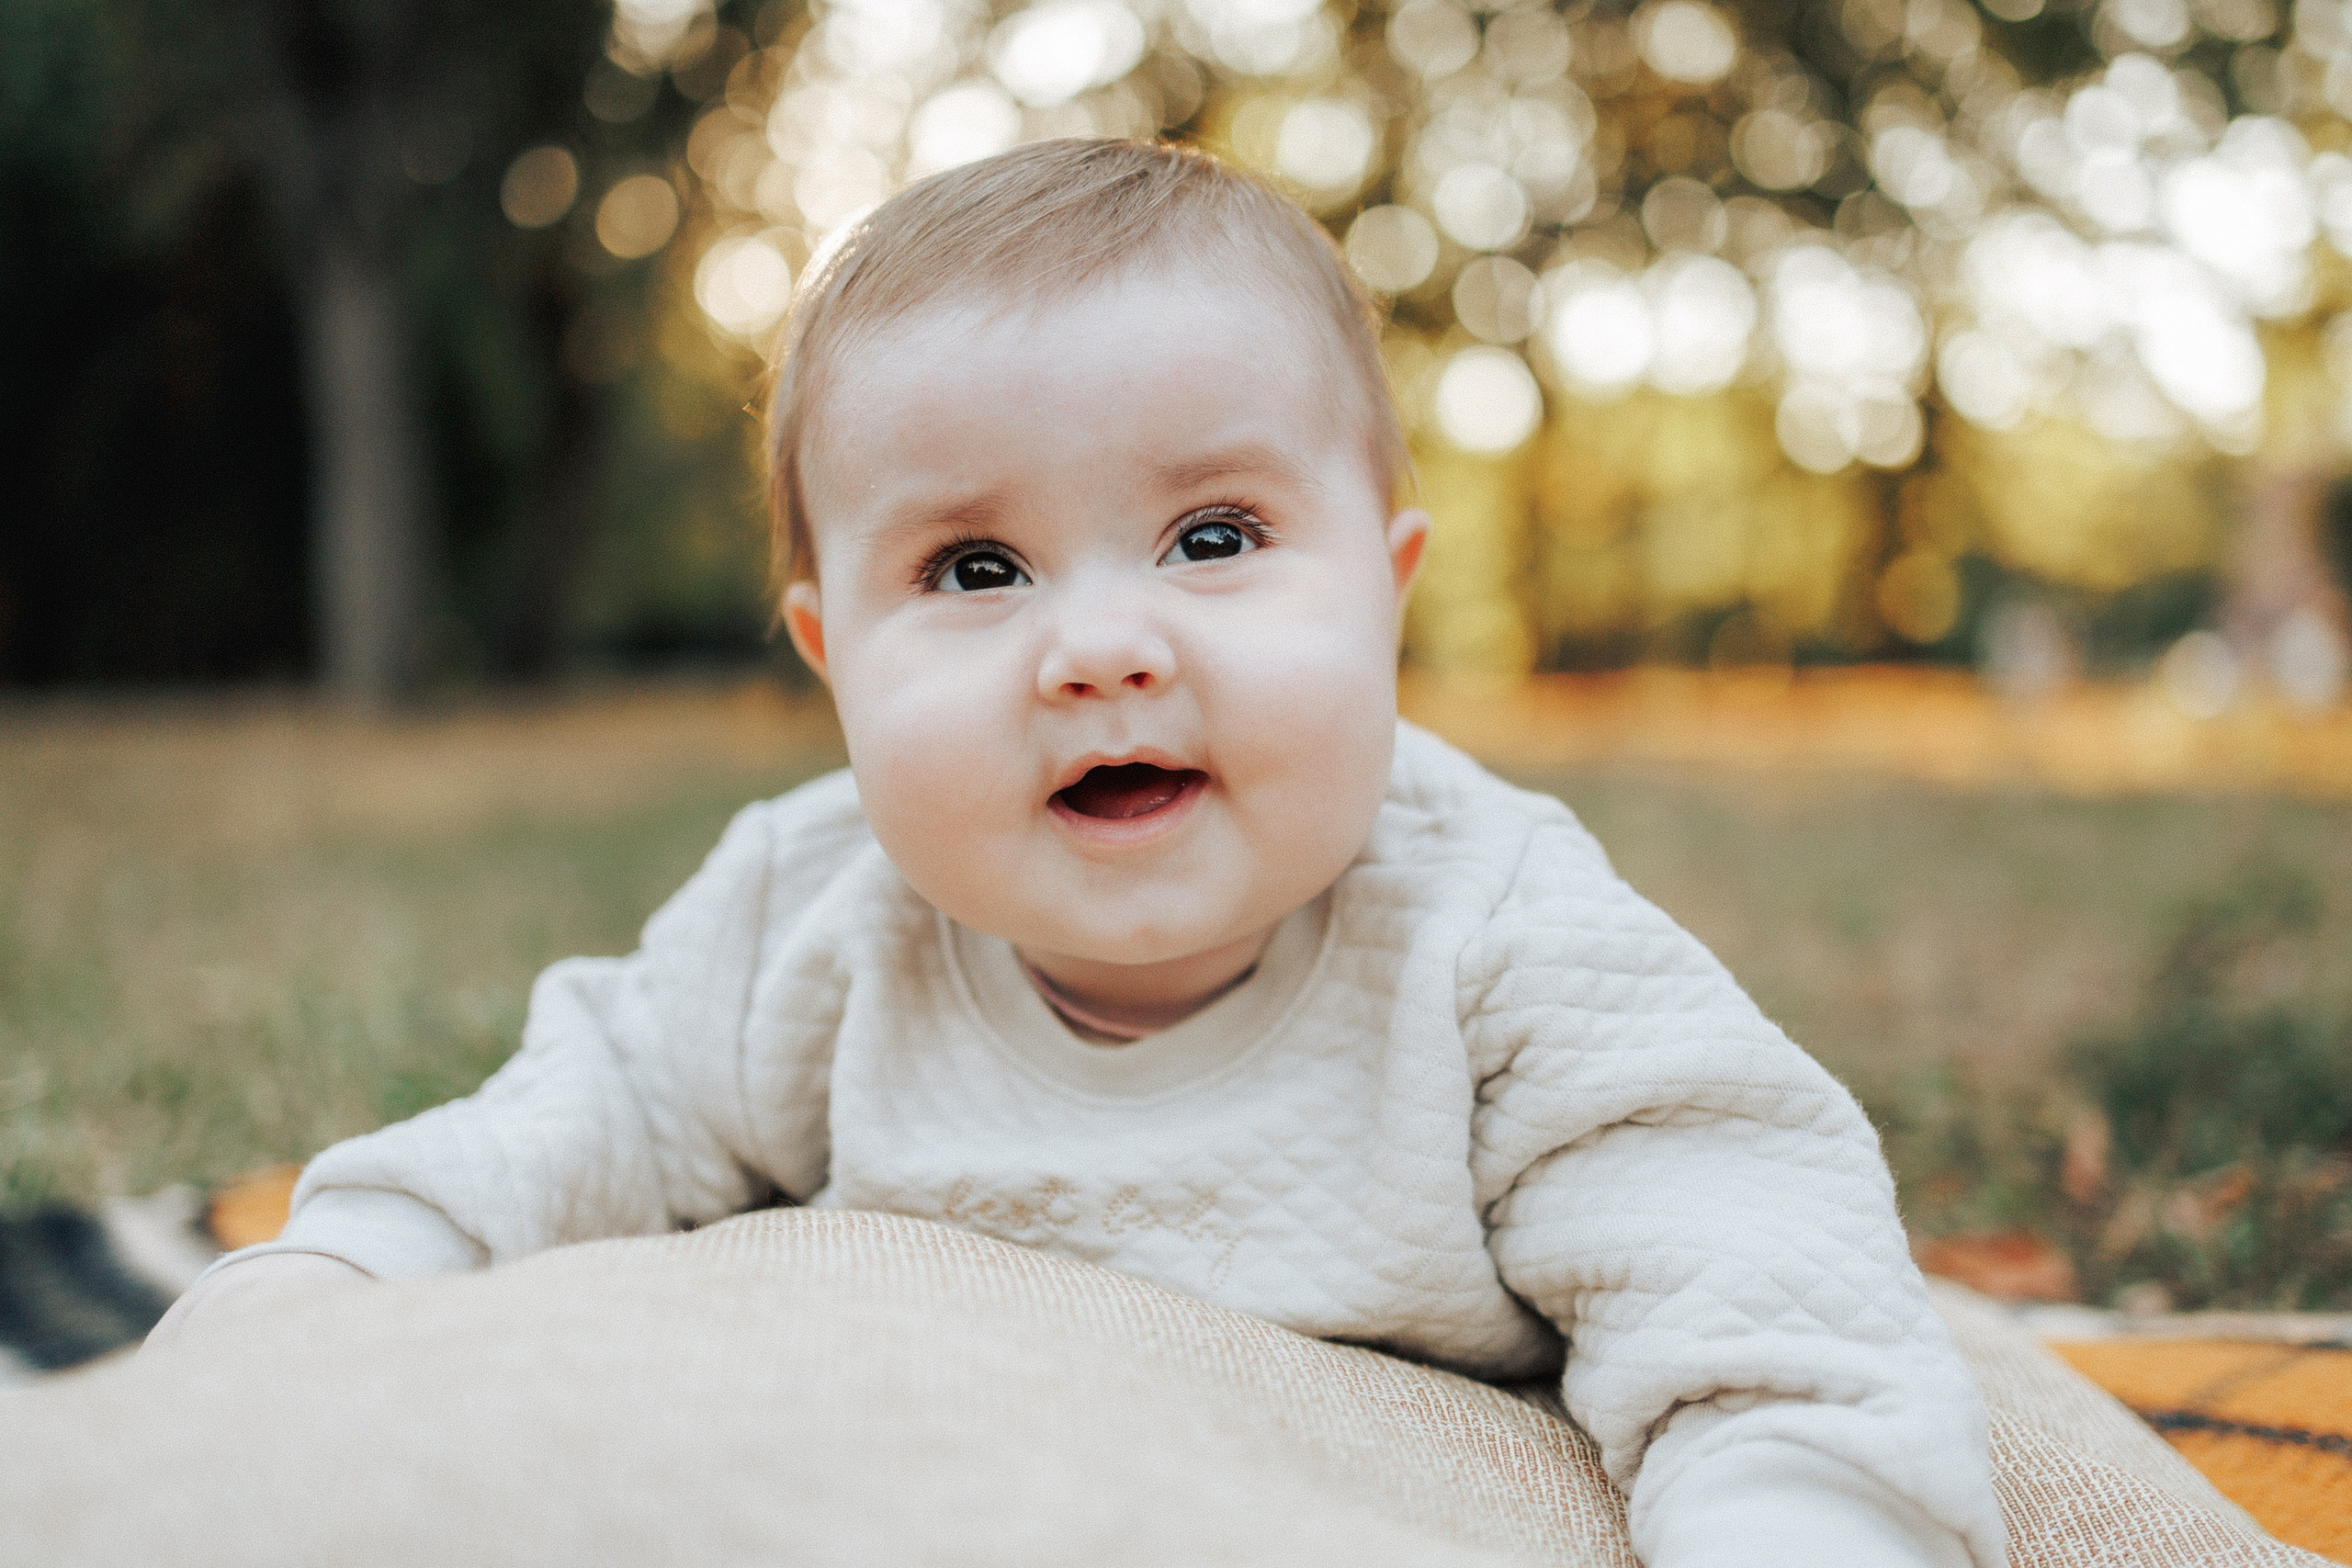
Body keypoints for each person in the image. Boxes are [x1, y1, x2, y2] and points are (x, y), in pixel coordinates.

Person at [153, 140, 2004, 1568]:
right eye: (974, 571)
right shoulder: (811, 919)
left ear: (1385, 588)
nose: (1100, 644)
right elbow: (583, 1110)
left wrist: (1803, 1524)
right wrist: (353, 1270)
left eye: (1211, 536)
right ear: (833, 666)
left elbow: (1758, 1289)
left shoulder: (1502, 946)